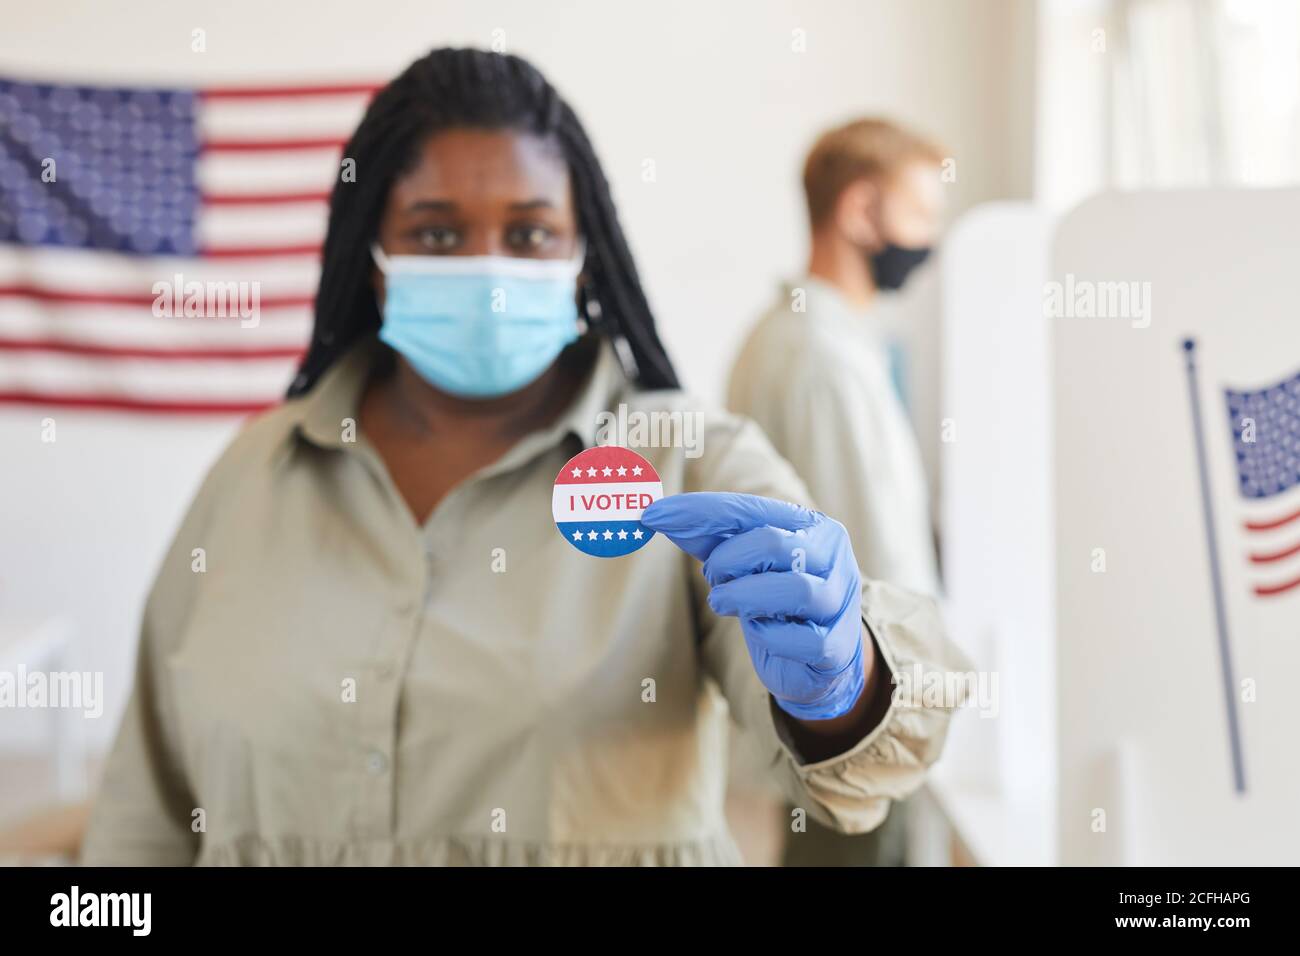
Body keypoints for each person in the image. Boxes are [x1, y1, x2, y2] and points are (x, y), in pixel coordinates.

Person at [80, 52, 968, 866]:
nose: (489, 270)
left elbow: (860, 765)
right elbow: (143, 817)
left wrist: (844, 685)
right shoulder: (254, 474)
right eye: (436, 234)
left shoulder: (692, 460)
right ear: (374, 257)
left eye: (531, 233)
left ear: (586, 257)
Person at [727, 118, 948, 866]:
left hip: (840, 724)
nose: (929, 239)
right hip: (858, 727)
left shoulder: (806, 336)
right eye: (919, 214)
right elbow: (872, 560)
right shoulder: (819, 357)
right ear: (860, 212)